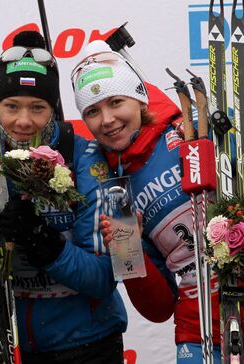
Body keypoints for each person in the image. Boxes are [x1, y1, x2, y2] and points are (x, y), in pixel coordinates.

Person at [0, 30, 127, 364]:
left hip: (87, 346)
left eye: (37, 108)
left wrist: (45, 241)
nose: (23, 121)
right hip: (7, 341)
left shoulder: (84, 157)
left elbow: (105, 278)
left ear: (53, 108)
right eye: (11, 106)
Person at [70, 40, 220, 363]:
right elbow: (159, 308)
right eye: (92, 111)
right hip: (197, 329)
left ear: (139, 98)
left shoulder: (188, 129)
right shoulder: (110, 185)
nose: (107, 120)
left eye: (116, 102)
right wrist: (130, 251)